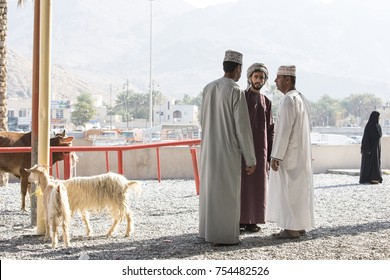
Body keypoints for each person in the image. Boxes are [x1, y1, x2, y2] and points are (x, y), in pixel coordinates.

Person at [199, 50, 257, 245]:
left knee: (210, 192)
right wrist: (250, 158)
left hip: (208, 149)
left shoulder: (208, 88)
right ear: (238, 69)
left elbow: (202, 121)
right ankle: (225, 236)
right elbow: (242, 128)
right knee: (227, 194)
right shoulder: (235, 90)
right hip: (227, 150)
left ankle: (207, 232)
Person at [266, 65, 315, 239]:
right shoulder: (301, 98)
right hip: (301, 154)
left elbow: (284, 130)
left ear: (288, 79)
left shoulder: (288, 100)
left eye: (278, 78)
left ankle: (291, 228)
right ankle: (299, 225)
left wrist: (276, 155)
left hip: (289, 155)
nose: (275, 81)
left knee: (288, 191)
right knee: (299, 191)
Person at [240, 63, 274, 233]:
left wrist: (270, 156)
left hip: (261, 150)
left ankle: (253, 220)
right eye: (256, 77)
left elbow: (270, 129)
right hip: (242, 150)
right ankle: (239, 219)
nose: (259, 80)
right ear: (249, 78)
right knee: (242, 185)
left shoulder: (267, 102)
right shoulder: (241, 98)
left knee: (258, 185)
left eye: (262, 78)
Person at [359, 111, 383, 184]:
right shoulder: (369, 125)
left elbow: (379, 135)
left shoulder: (378, 126)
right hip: (370, 149)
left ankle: (375, 178)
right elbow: (365, 138)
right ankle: (368, 178)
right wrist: (367, 149)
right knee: (369, 164)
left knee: (376, 162)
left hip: (376, 148)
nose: (378, 118)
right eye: (377, 117)